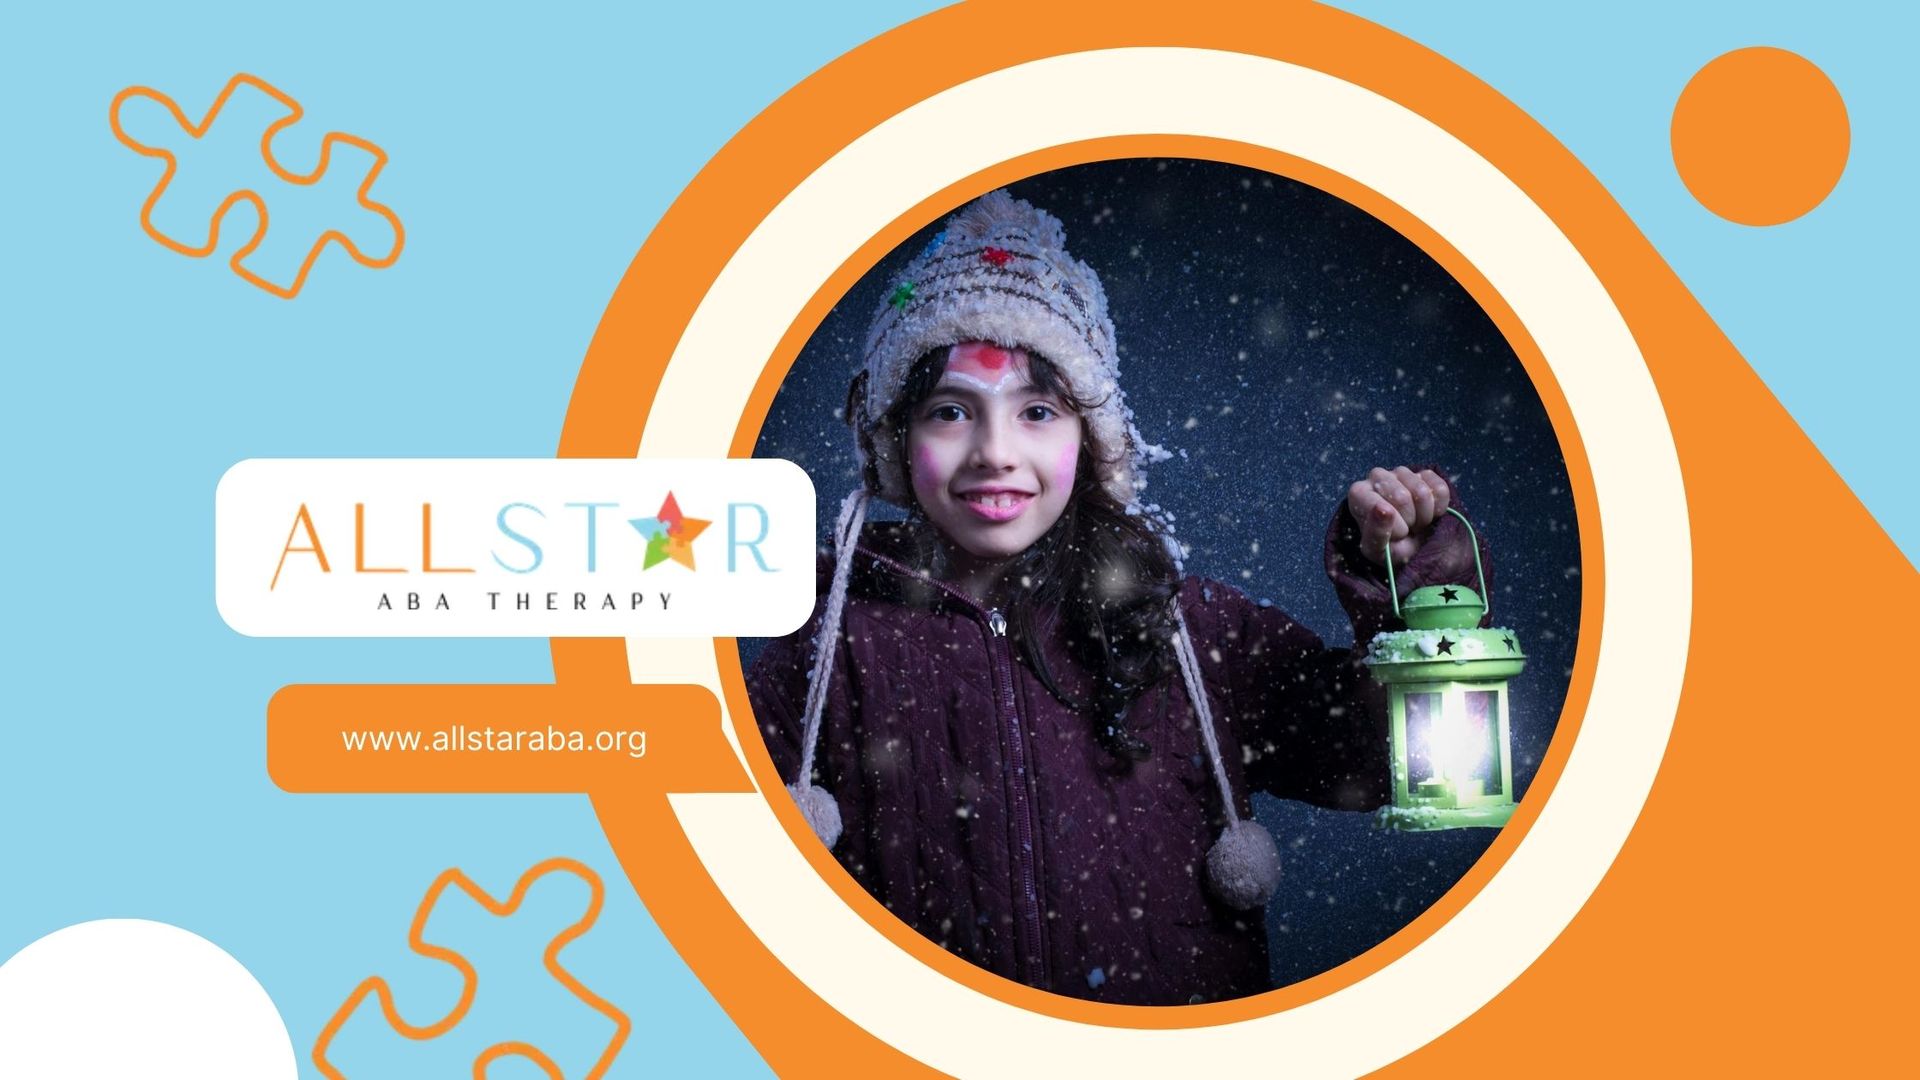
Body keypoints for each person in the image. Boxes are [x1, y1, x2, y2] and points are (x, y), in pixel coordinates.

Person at [746, 190, 1490, 1005]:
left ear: (1089, 440)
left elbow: (1388, 759)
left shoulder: (1192, 632)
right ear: (896, 439)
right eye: (950, 411)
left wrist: (1414, 593)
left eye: (1037, 410)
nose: (996, 453)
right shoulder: (828, 651)